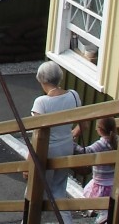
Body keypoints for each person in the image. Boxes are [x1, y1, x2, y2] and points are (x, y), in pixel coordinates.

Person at [27, 60, 83, 224]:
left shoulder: (41, 102)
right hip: (66, 147)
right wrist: (70, 135)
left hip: (47, 151)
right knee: (59, 189)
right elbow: (83, 124)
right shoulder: (73, 95)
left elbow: (37, 135)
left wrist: (29, 158)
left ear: (41, 79)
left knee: (33, 189)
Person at [73, 117, 117, 224]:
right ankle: (106, 215)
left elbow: (85, 152)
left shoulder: (101, 144)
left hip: (101, 182)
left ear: (99, 129)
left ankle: (104, 215)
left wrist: (72, 144)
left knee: (100, 203)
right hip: (113, 182)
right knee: (109, 203)